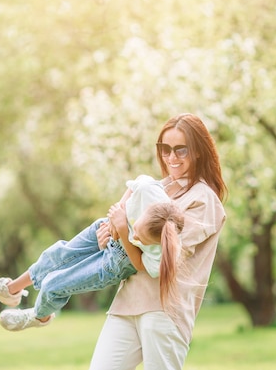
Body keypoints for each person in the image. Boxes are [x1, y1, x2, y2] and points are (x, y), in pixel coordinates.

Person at [89, 113, 227, 370]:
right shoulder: (155, 188)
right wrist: (108, 235)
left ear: (198, 152)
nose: (171, 157)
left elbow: (164, 260)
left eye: (180, 150)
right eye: (165, 149)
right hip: (126, 302)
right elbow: (128, 233)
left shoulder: (204, 200)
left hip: (165, 311)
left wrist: (124, 228)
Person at [0, 174, 185, 331]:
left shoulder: (165, 251)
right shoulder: (149, 191)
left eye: (141, 240)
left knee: (55, 283)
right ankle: (10, 289)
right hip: (107, 229)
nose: (135, 236)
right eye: (136, 229)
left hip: (117, 262)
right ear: (146, 210)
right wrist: (113, 223)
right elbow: (133, 187)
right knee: (56, 255)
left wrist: (123, 231)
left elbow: (139, 264)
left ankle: (39, 316)